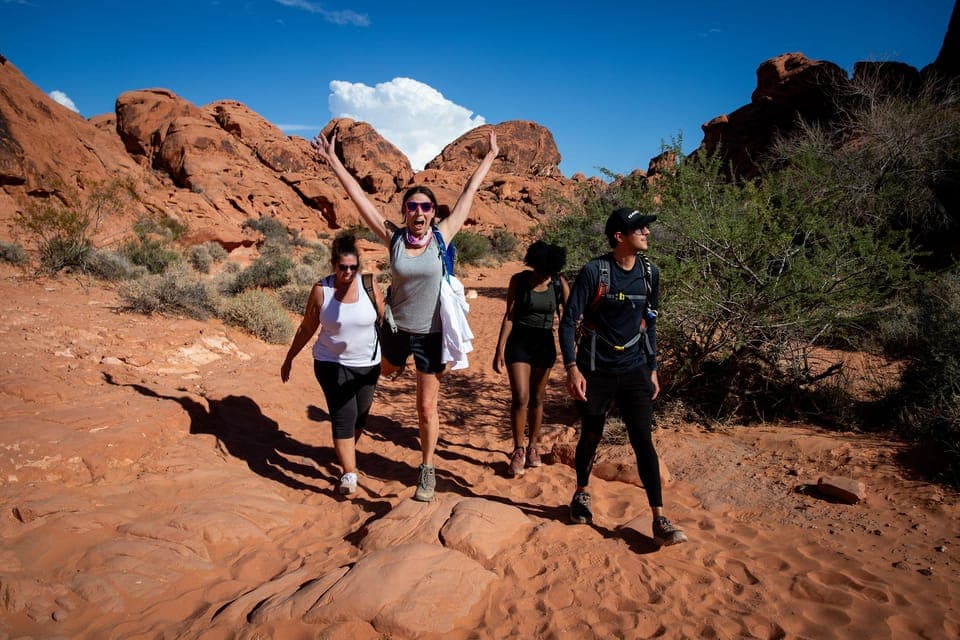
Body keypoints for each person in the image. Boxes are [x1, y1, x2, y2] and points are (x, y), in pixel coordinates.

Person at [313, 127, 499, 502]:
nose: (418, 212)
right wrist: (333, 160)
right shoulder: (394, 238)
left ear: (433, 213)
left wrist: (489, 157)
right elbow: (359, 197)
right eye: (412, 206)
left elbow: (468, 194)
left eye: (425, 207)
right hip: (395, 330)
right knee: (376, 374)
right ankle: (353, 428)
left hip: (430, 334)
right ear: (405, 212)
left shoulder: (443, 236)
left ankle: (426, 468)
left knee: (426, 407)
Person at [558, 207, 687, 547]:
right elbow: (569, 321)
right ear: (620, 237)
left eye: (646, 227)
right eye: (639, 228)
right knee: (591, 434)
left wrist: (653, 368)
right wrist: (572, 368)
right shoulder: (595, 271)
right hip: (596, 369)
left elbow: (651, 322)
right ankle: (582, 492)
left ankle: (659, 517)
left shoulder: (650, 273)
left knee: (643, 440)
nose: (646, 232)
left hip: (634, 370)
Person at [280, 234, 384, 495]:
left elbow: (384, 319)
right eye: (342, 267)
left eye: (352, 267)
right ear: (333, 265)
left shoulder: (369, 285)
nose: (348, 272)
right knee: (343, 416)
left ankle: (345, 453)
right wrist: (290, 356)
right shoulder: (321, 290)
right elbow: (307, 327)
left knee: (360, 416)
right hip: (331, 363)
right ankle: (349, 473)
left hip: (369, 365)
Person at [493, 241, 570, 477]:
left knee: (537, 397)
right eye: (539, 270)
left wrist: (574, 349)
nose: (542, 276)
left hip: (544, 344)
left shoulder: (558, 283)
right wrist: (499, 349)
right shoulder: (519, 281)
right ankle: (518, 448)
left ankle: (533, 446)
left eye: (546, 272)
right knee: (521, 396)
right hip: (519, 342)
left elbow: (570, 317)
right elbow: (510, 315)